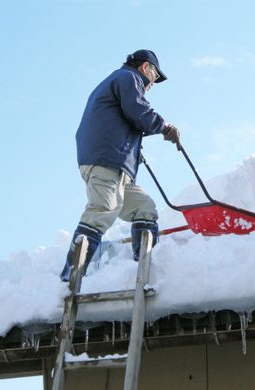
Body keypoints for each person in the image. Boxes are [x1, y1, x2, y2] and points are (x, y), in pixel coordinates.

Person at [59, 49, 180, 282]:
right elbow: (138, 110)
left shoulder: (119, 81)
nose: (153, 83)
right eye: (155, 75)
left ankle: (144, 269)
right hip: (106, 161)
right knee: (102, 209)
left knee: (144, 207)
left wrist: (135, 152)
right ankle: (70, 279)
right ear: (146, 67)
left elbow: (125, 120)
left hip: (116, 165)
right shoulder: (128, 78)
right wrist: (164, 126)